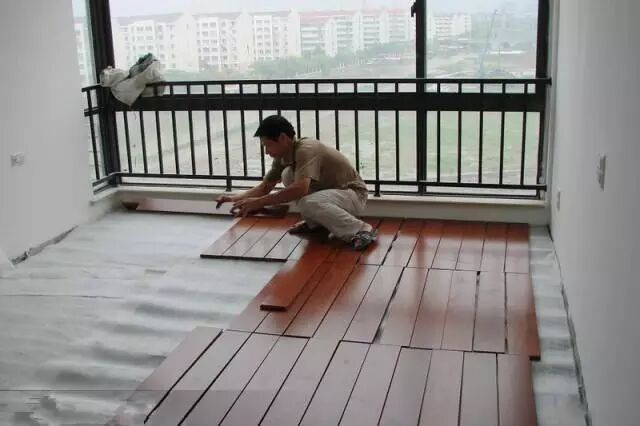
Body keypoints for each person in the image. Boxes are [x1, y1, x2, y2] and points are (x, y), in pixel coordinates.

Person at [216, 115, 377, 250]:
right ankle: (316, 224)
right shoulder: (284, 156)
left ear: (283, 138)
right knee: (288, 174)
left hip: (353, 195)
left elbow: (300, 190)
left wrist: (258, 202)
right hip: (331, 195)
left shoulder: (306, 149)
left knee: (308, 199)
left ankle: (361, 230)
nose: (266, 151)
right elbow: (265, 187)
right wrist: (234, 198)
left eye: (268, 145)